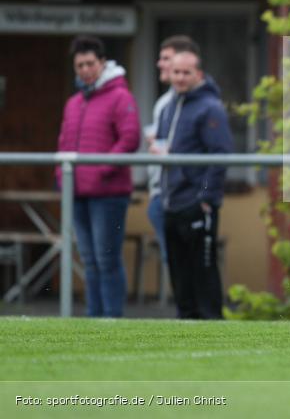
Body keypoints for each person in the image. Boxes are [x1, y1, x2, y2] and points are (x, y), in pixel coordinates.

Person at [57, 36, 140, 317]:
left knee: (107, 260)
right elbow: (64, 142)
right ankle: (94, 318)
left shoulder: (120, 97)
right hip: (78, 192)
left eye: (90, 63)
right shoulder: (74, 102)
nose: (85, 69)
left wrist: (101, 169)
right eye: (79, 65)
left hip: (108, 193)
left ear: (102, 63)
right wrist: (62, 176)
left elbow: (129, 139)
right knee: (89, 261)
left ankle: (112, 319)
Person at [157, 50, 233, 319]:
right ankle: (185, 324)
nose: (179, 77)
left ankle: (212, 326)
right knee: (179, 273)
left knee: (203, 271)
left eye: (186, 72)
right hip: (171, 201)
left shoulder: (210, 108)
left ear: (198, 74)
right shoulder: (168, 107)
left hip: (196, 203)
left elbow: (220, 156)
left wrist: (205, 198)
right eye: (176, 72)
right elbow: (166, 150)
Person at [144, 35, 200, 274]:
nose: (160, 64)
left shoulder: (190, 102)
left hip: (180, 194)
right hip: (161, 192)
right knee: (176, 265)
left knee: (185, 266)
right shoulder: (165, 102)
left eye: (165, 58)